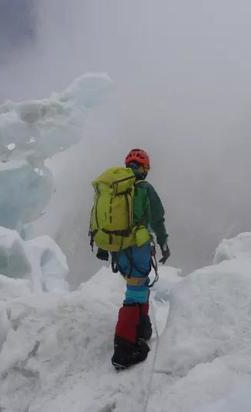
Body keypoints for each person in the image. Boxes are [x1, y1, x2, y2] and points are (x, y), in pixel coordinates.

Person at [96, 148, 170, 370]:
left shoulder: (113, 189)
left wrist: (102, 247)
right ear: (145, 169)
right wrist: (164, 243)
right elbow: (157, 219)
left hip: (118, 248)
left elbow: (101, 219)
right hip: (138, 246)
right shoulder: (145, 189)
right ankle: (124, 349)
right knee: (135, 291)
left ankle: (141, 329)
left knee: (137, 285)